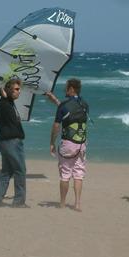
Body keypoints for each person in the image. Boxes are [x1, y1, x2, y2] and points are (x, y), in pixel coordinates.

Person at [46, 79, 89, 212]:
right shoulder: (84, 104)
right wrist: (54, 100)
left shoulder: (64, 106)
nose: (65, 90)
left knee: (65, 174)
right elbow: (69, 110)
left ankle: (63, 203)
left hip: (68, 143)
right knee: (78, 174)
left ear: (71, 88)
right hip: (81, 144)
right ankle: (77, 204)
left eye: (66, 88)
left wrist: (52, 142)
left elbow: (57, 125)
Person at [0, 79, 28, 208]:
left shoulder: (9, 103)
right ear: (8, 91)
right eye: (16, 89)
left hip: (9, 142)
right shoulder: (2, 104)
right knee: (20, 170)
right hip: (11, 142)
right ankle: (18, 202)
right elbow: (1, 108)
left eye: (19, 89)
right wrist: (4, 96)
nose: (19, 92)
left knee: (6, 171)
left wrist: (7, 97)